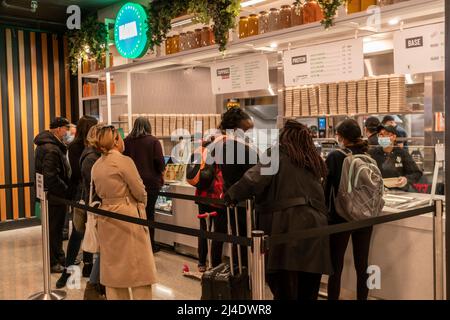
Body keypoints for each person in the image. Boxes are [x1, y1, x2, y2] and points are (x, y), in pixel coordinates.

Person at [225, 120, 333, 300]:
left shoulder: (276, 154)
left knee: (284, 289)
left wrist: (232, 195)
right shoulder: (313, 159)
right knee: (308, 291)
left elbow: (253, 180)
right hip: (317, 229)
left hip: (286, 228)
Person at [92, 125, 157, 300]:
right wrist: (142, 202)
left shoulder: (97, 165)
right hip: (127, 215)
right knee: (139, 270)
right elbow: (139, 190)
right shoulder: (124, 161)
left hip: (107, 217)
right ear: (115, 141)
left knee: (114, 273)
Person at [325, 119, 373, 300]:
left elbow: (325, 188)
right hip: (365, 215)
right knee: (363, 265)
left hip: (340, 217)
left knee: (335, 268)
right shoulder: (368, 155)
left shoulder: (335, 156)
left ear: (342, 137)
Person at [56, 116, 98, 288]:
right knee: (79, 232)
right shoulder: (76, 147)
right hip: (82, 195)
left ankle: (88, 265)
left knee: (89, 230)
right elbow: (77, 174)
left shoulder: (89, 147)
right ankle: (68, 270)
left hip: (88, 194)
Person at [216, 107, 257, 268]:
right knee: (242, 242)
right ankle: (243, 275)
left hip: (238, 199)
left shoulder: (231, 145)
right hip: (242, 203)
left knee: (241, 242)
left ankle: (243, 272)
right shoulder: (233, 147)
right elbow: (252, 173)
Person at [34, 117, 72, 273]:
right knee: (54, 231)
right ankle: (53, 262)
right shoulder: (51, 149)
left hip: (51, 196)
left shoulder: (47, 145)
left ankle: (59, 257)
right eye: (66, 129)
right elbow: (51, 177)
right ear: (58, 129)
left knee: (54, 230)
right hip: (55, 197)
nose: (67, 132)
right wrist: (65, 191)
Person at [124, 117, 165, 253]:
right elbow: (160, 162)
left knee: (134, 215)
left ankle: (136, 244)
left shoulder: (126, 141)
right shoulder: (153, 141)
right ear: (148, 126)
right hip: (151, 183)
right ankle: (150, 245)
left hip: (130, 183)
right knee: (149, 214)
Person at [80, 124, 105, 300]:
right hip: (97, 207)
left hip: (99, 206)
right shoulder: (91, 158)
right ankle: (93, 287)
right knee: (103, 249)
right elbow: (96, 183)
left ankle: (98, 286)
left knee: (103, 250)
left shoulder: (94, 155)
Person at [195, 136, 226, 272]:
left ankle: (201, 262)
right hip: (217, 197)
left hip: (202, 196)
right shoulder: (222, 154)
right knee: (219, 232)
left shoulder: (203, 151)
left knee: (204, 229)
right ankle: (215, 263)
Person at [369, 125, 422, 191]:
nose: (382, 137)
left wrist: (406, 179)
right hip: (379, 192)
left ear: (394, 137)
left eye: (386, 134)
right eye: (380, 135)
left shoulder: (402, 153)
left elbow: (417, 173)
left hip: (400, 191)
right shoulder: (372, 153)